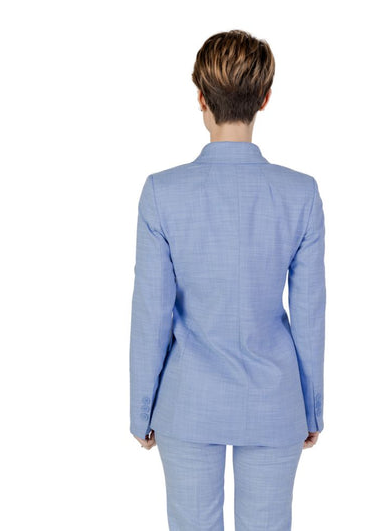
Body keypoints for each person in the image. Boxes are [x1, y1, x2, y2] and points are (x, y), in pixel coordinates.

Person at [129, 29, 326, 530]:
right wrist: (311, 408)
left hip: (188, 402)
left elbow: (151, 313)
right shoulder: (301, 194)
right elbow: (309, 316)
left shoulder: (162, 193)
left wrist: (142, 409)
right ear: (264, 98)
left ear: (201, 98)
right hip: (275, 401)